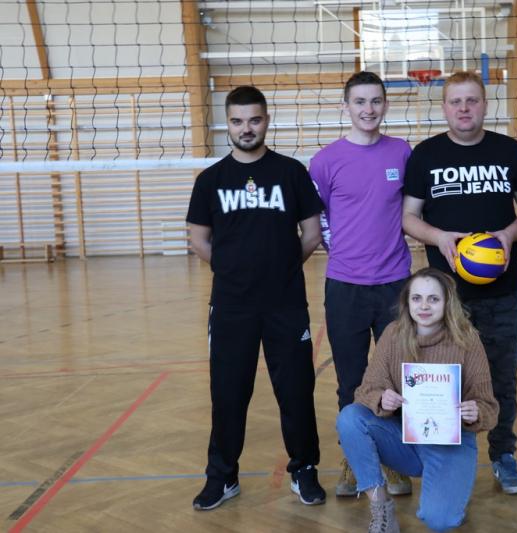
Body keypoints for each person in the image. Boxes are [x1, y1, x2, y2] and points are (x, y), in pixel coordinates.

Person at [186, 85, 327, 510]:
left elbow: (312, 234)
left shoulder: (291, 172)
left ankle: (304, 470)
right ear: (227, 125)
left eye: (254, 120)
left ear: (266, 121)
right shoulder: (210, 180)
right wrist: (233, 272)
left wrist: (281, 269)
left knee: (296, 391)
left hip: (286, 303)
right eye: (237, 121)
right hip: (232, 306)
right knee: (228, 394)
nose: (246, 128)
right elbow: (198, 239)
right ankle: (222, 477)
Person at [402, 71, 517, 494]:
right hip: (444, 297)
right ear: (444, 108)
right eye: (456, 101)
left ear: (485, 104)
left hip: (501, 292)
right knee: (442, 377)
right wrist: (439, 237)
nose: (464, 108)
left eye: (472, 100)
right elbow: (408, 217)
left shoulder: (508, 150)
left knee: (501, 377)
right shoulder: (426, 155)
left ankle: (503, 454)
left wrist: (508, 234)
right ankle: (441, 458)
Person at [309, 72, 413, 497]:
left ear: (385, 104)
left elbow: (412, 209)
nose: (368, 109)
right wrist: (346, 254)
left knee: (397, 377)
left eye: (375, 101)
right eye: (359, 102)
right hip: (345, 286)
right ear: (346, 106)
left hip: (395, 283)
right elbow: (318, 218)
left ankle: (395, 462)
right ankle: (355, 462)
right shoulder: (325, 160)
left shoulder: (402, 152)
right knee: (351, 378)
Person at [336, 267, 498, 532]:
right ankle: (381, 507)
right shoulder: (394, 334)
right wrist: (381, 399)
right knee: (350, 418)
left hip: (450, 443)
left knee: (440, 521)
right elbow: (366, 391)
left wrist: (475, 411)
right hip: (403, 438)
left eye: (433, 299)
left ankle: (451, 493)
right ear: (407, 302)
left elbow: (489, 406)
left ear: (447, 302)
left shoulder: (467, 338)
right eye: (416, 298)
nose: (424, 306)